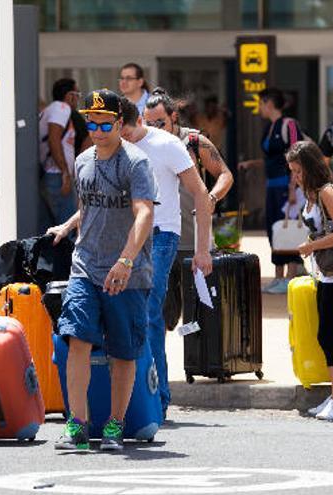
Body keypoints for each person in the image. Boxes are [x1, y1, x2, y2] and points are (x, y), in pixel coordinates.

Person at [47, 89, 156, 451]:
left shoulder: (136, 163)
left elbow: (144, 213)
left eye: (104, 122)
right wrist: (67, 226)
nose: (96, 129)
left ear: (120, 123)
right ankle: (77, 425)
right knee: (77, 339)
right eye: (90, 122)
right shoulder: (82, 161)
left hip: (127, 271)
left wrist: (125, 260)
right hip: (85, 267)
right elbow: (90, 207)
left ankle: (115, 425)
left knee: (123, 352)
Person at [119, 95, 214, 418]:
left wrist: (203, 249)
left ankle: (157, 397)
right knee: (131, 312)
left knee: (148, 310)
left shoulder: (168, 145)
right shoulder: (111, 146)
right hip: (125, 236)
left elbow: (201, 193)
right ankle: (139, 392)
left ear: (138, 122)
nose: (123, 139)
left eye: (127, 133)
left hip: (162, 235)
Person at [143, 88, 234, 334]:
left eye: (159, 122)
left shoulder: (194, 141)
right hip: (159, 240)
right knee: (160, 313)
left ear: (174, 117)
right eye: (147, 123)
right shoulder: (142, 142)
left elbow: (225, 174)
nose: (153, 128)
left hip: (193, 240)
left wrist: (212, 197)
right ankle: (158, 367)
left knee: (199, 315)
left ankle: (199, 363)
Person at [287, 141, 333, 421]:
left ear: (310, 168)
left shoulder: (326, 192)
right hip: (325, 273)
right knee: (325, 334)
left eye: (298, 171)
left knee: (328, 335)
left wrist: (312, 246)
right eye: (292, 171)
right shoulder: (312, 193)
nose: (295, 176)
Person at [237, 87, 305, 294]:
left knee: (289, 229)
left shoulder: (289, 124)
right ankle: (278, 277)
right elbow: (273, 159)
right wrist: (253, 164)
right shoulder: (271, 126)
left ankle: (291, 276)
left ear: (268, 103)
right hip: (272, 186)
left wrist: (294, 188)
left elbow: (298, 156)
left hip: (287, 185)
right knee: (274, 229)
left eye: (260, 103)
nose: (259, 108)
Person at [39, 78, 82, 228]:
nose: (77, 100)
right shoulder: (61, 108)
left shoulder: (53, 109)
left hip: (55, 175)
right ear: (70, 96)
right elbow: (54, 139)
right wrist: (65, 173)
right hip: (56, 175)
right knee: (67, 226)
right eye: (77, 95)